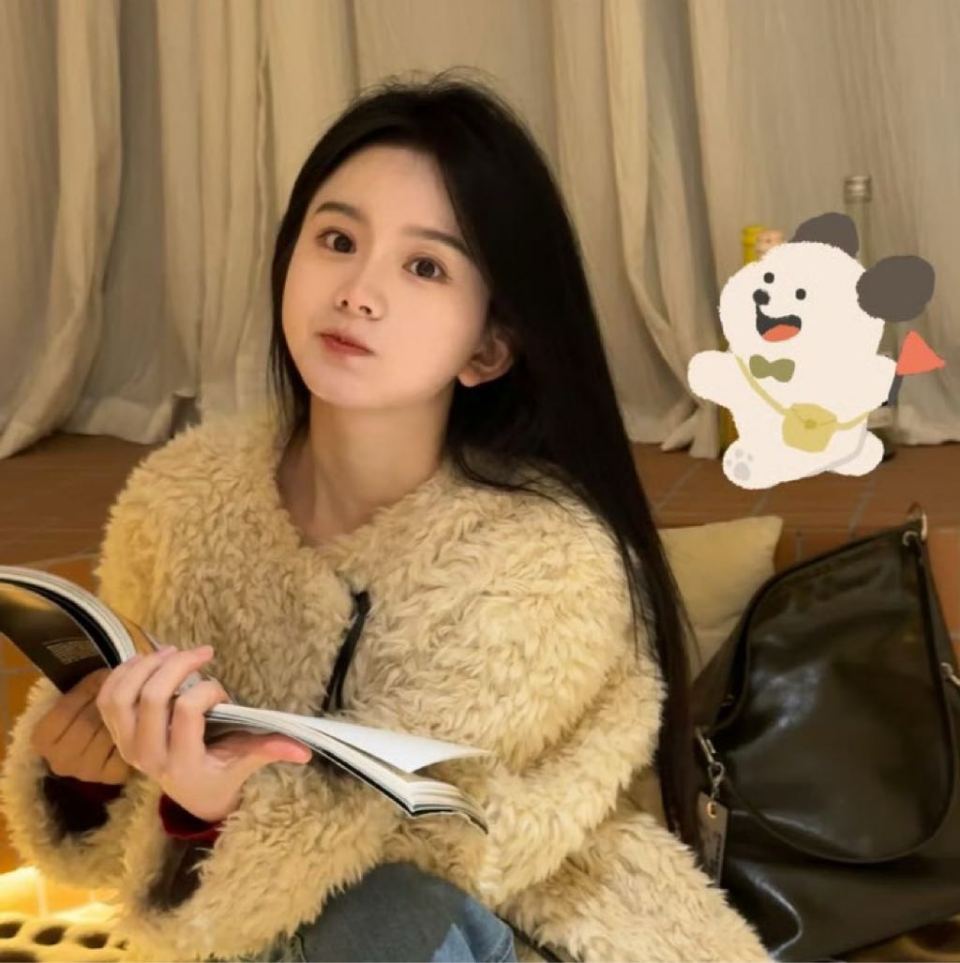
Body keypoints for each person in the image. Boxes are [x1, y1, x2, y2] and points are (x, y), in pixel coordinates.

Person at [0, 70, 769, 962]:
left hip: (525, 929)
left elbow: (428, 842)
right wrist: (88, 777)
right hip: (255, 941)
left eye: (424, 266)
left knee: (379, 910)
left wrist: (212, 804)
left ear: (488, 346)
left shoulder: (546, 560)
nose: (359, 291)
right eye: (337, 240)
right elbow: (145, 856)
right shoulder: (180, 500)